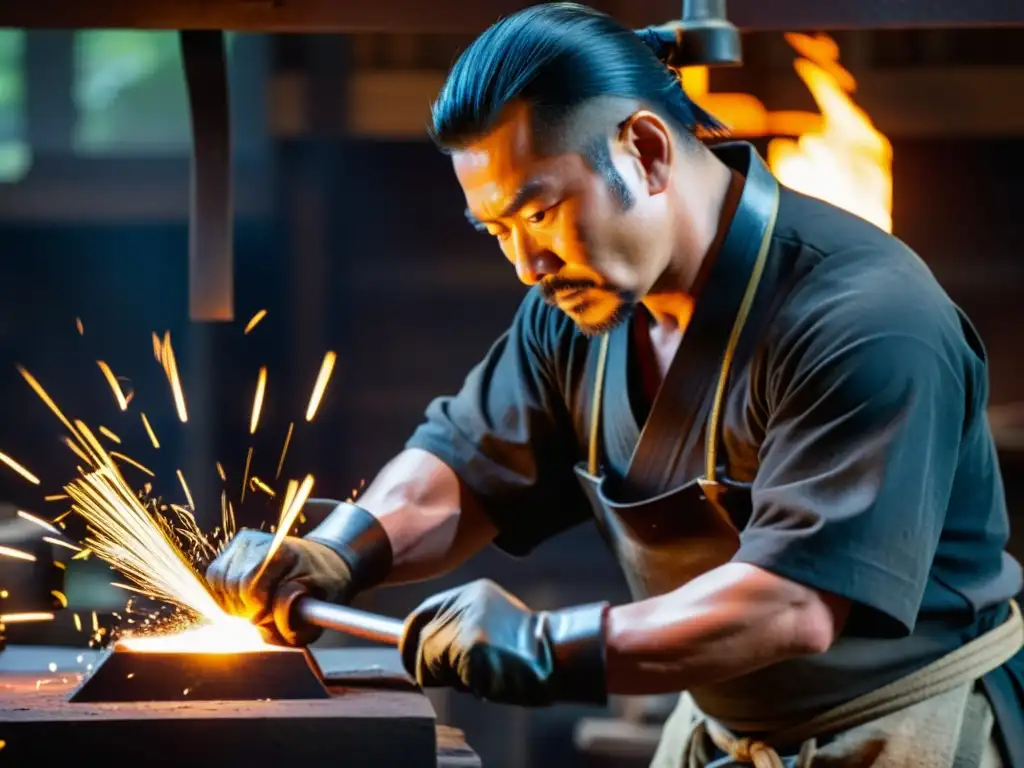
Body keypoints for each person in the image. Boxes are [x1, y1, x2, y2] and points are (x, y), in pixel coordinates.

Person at [206, 4, 1024, 765]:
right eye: (498, 231)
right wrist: (340, 549)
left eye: (540, 212)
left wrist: (548, 645)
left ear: (646, 150)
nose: (528, 265)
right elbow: (460, 465)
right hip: (717, 729)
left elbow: (793, 605)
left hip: (903, 727)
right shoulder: (578, 311)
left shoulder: (866, 314)